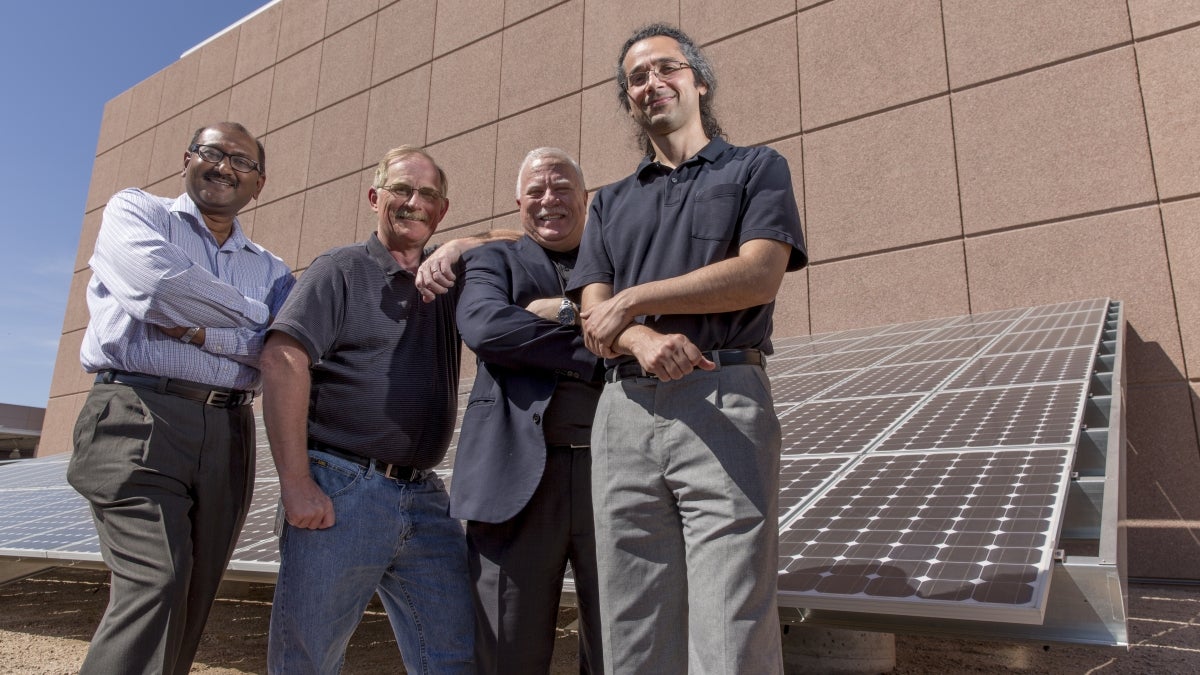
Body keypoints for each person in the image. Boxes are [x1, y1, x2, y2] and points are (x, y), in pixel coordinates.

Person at [567, 24, 808, 675]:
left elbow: (759, 271)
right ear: (629, 100)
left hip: (722, 401)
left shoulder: (756, 168)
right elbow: (595, 313)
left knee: (730, 625)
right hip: (623, 416)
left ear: (698, 80)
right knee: (632, 624)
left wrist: (635, 298)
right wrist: (640, 336)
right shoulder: (610, 204)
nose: (651, 83)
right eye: (636, 78)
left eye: (664, 68)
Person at [260, 145, 514, 674]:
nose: (413, 203)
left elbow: (529, 241)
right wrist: (297, 483)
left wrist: (464, 245)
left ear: (442, 211)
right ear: (375, 198)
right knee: (308, 659)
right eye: (401, 189)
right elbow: (284, 359)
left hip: (425, 498)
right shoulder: (341, 269)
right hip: (341, 491)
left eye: (427, 195)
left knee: (456, 654)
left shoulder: (450, 276)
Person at [67, 122, 294, 675]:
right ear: (186, 160)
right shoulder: (137, 213)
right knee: (157, 579)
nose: (224, 167)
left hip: (229, 430)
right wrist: (255, 317)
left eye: (241, 161)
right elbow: (160, 288)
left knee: (193, 595)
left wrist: (200, 331)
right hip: (137, 414)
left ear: (259, 183)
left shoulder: (272, 269)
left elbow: (278, 350)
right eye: (211, 153)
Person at [450, 148, 604, 674]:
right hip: (513, 484)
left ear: (584, 199)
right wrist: (597, 341)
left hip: (614, 477)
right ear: (519, 203)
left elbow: (649, 327)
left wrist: (554, 314)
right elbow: (487, 328)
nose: (549, 200)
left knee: (623, 644)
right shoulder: (494, 260)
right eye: (536, 191)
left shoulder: (617, 262)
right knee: (506, 651)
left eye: (562, 188)